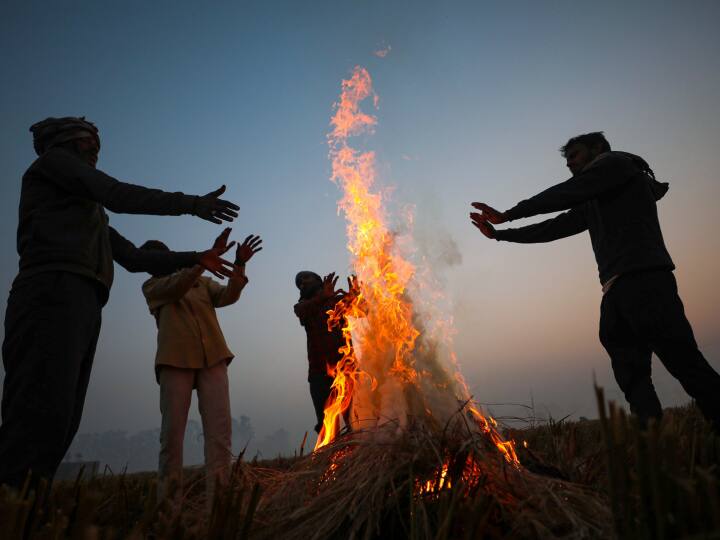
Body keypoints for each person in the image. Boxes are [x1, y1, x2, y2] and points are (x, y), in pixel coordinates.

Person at [0, 116, 241, 492]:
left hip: (83, 300)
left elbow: (132, 257)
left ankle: (26, 506)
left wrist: (198, 257)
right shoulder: (53, 163)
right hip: (50, 292)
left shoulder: (88, 214)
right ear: (65, 142)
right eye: (87, 142)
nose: (95, 150)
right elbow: (116, 193)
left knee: (62, 416)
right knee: (36, 411)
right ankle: (12, 504)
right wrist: (192, 204)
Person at [469, 131, 720, 429]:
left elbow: (565, 193)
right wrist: (501, 236)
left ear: (597, 148)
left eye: (574, 155)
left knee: (684, 362)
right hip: (615, 291)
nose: (570, 164)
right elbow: (555, 226)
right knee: (632, 376)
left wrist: (509, 215)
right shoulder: (597, 198)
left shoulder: (616, 164)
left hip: (646, 281)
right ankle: (654, 447)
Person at [141, 229, 262, 504]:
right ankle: (168, 513)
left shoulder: (202, 282)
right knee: (171, 437)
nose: (159, 261)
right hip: (175, 362)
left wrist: (239, 264)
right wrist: (200, 263)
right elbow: (176, 287)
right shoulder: (151, 287)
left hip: (214, 359)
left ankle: (218, 509)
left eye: (162, 256)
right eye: (152, 259)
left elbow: (229, 296)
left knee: (220, 436)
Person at [294, 272, 359, 434]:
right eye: (299, 283)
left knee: (356, 420)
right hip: (319, 375)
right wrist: (322, 297)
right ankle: (330, 457)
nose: (302, 283)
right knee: (326, 426)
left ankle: (358, 453)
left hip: (346, 370)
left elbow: (364, 310)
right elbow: (302, 313)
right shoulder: (303, 306)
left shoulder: (336, 301)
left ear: (318, 280)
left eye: (306, 279)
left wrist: (355, 296)